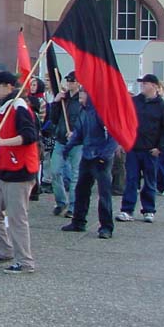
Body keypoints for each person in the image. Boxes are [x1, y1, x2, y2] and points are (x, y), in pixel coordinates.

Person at [0, 71, 39, 275]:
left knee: (17, 218)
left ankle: (25, 261)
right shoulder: (5, 108)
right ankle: (4, 250)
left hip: (20, 171)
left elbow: (29, 136)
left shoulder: (19, 107)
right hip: (5, 169)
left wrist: (2, 143)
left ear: (8, 87)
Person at [60, 91, 117, 239]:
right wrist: (68, 148)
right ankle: (78, 222)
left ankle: (106, 227)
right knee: (81, 190)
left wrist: (104, 155)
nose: (80, 97)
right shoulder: (84, 112)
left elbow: (113, 135)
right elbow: (79, 133)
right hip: (87, 155)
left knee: (104, 193)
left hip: (100, 158)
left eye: (83, 95)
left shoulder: (102, 111)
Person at [116, 74, 164, 223]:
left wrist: (160, 147)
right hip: (133, 148)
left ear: (153, 85)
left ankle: (148, 210)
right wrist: (122, 142)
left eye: (145, 83)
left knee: (150, 181)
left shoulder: (162, 106)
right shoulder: (134, 102)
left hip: (151, 150)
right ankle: (127, 210)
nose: (142, 86)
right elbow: (125, 123)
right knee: (131, 179)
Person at [48, 71, 82, 217]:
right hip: (61, 140)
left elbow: (86, 120)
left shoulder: (83, 99)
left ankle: (73, 207)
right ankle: (61, 201)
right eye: (68, 81)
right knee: (55, 171)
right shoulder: (63, 99)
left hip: (77, 143)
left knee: (75, 175)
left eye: (72, 81)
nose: (69, 83)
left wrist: (76, 133)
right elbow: (53, 119)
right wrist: (55, 102)